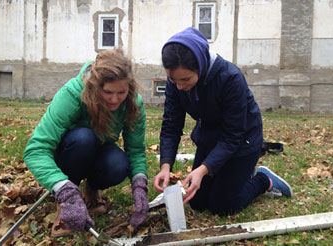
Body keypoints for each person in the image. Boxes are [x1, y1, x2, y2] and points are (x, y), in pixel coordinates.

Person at [153, 27, 292, 215]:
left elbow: (233, 135)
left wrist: (202, 170)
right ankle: (236, 176)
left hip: (243, 141)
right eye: (173, 80)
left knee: (222, 206)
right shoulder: (175, 82)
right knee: (197, 201)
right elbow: (171, 124)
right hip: (210, 138)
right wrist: (166, 165)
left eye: (185, 79)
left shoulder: (230, 78)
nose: (179, 86)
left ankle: (262, 180)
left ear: (200, 67)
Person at [24, 48, 149, 236]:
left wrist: (140, 184)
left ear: (129, 87)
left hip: (98, 149)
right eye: (107, 92)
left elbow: (136, 150)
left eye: (121, 92)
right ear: (95, 85)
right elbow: (36, 149)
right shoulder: (72, 94)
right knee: (83, 138)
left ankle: (91, 189)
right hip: (69, 152)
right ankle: (68, 199)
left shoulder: (133, 102)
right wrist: (63, 189)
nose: (115, 99)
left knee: (118, 164)